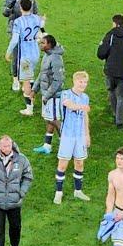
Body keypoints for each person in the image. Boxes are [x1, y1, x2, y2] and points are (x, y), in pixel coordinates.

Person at [54, 71, 92, 204]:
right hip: (68, 135)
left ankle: (78, 191)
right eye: (81, 82)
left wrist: (87, 134)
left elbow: (85, 116)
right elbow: (68, 105)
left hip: (80, 135)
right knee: (63, 164)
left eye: (85, 82)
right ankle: (58, 193)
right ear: (74, 81)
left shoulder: (85, 97)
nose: (83, 84)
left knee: (80, 162)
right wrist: (83, 107)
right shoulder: (66, 93)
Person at [4, 0, 46, 116]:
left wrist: (8, 52)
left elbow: (15, 40)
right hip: (36, 53)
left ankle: (29, 108)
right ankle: (33, 93)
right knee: (30, 77)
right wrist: (43, 21)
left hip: (26, 56)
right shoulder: (36, 18)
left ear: (21, 7)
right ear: (31, 7)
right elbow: (41, 29)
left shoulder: (18, 21)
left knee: (25, 84)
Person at [97, 14, 123, 129]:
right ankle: (120, 122)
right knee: (122, 96)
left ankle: (115, 114)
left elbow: (101, 53)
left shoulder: (110, 36)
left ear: (114, 23)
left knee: (112, 91)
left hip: (111, 70)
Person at [2, 0, 39, 92]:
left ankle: (27, 78)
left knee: (27, 55)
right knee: (17, 55)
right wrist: (9, 9)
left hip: (27, 28)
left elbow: (36, 11)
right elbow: (4, 12)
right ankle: (15, 79)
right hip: (16, 27)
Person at [32, 34, 65, 154]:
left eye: (43, 43)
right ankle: (47, 145)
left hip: (54, 96)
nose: (40, 45)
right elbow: (42, 74)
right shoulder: (47, 55)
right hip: (47, 94)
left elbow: (58, 80)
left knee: (55, 120)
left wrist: (46, 95)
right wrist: (34, 89)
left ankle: (66, 145)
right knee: (49, 119)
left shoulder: (56, 59)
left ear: (50, 45)